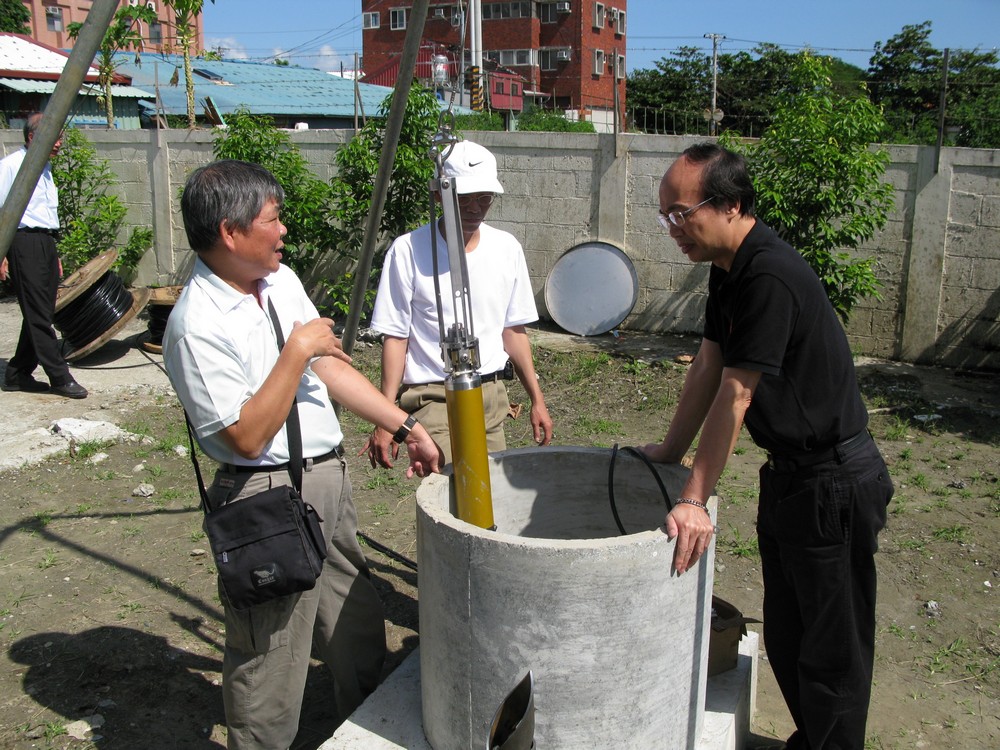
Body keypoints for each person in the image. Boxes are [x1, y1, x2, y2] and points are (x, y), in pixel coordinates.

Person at [162, 159, 443, 749]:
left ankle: (369, 724)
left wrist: (403, 423)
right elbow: (245, 436)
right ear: (231, 233)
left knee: (353, 615)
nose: (284, 230)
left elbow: (329, 366)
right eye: (273, 219)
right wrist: (295, 352)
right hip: (263, 495)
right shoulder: (197, 324)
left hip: (324, 478)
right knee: (271, 652)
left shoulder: (278, 280)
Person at [641, 143, 893, 750]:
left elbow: (736, 394)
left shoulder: (770, 274)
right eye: (666, 216)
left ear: (729, 205)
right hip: (791, 478)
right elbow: (708, 361)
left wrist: (695, 498)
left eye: (682, 213)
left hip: (832, 479)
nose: (674, 228)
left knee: (831, 654)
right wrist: (672, 451)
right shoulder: (728, 272)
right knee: (787, 634)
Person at [365, 140, 552, 467]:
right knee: (456, 489)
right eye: (464, 198)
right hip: (433, 395)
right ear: (439, 194)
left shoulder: (506, 249)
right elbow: (396, 337)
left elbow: (513, 332)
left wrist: (537, 399)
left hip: (490, 396)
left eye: (485, 198)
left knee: (493, 494)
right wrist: (386, 416)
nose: (476, 208)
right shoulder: (408, 250)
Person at [0, 112, 87, 398]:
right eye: (55, 137)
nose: (60, 143)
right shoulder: (12, 166)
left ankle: (17, 374)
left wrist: (54, 251)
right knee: (39, 315)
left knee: (42, 310)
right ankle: (60, 376)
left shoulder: (44, 167)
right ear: (33, 137)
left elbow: (44, 214)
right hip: (23, 242)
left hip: (44, 242)